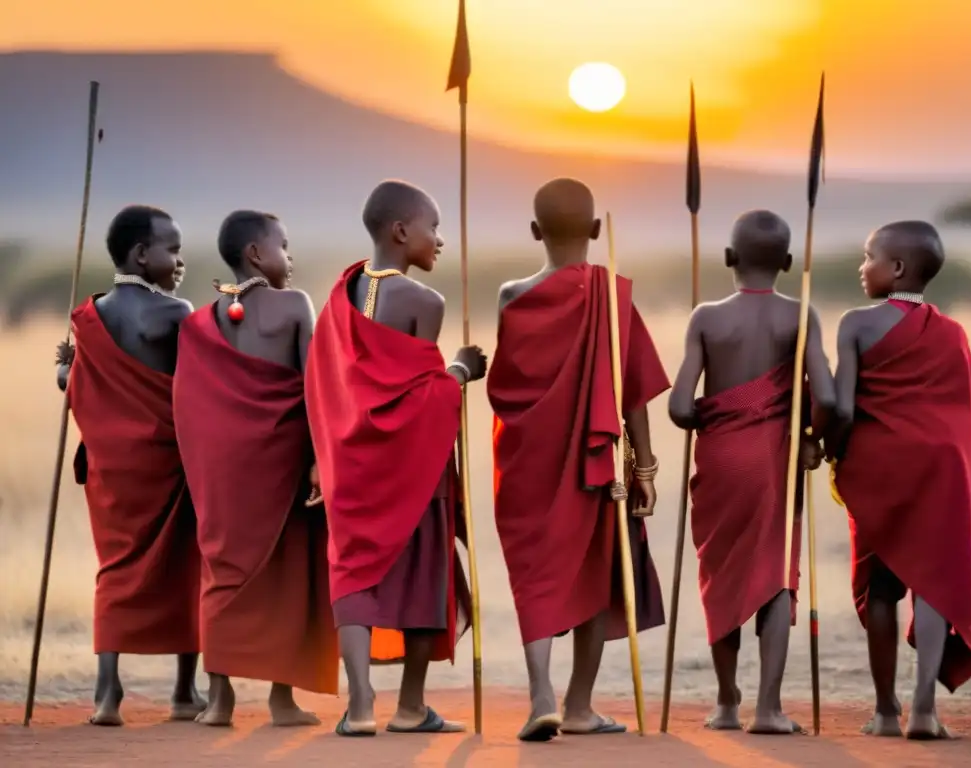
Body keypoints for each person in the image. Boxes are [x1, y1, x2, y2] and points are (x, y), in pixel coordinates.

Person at [487, 178, 668, 742]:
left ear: (535, 232)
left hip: (521, 459)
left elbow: (508, 381)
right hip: (591, 460)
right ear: (594, 230)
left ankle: (540, 693)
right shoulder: (610, 295)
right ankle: (579, 705)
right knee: (597, 568)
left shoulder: (510, 294)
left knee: (534, 573)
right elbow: (631, 391)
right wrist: (644, 468)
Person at [305, 180, 486, 737]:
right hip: (411, 468)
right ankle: (409, 707)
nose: (440, 242)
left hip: (348, 461)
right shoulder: (425, 302)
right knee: (422, 573)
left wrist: (320, 456)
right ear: (401, 231)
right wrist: (460, 370)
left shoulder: (340, 295)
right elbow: (422, 399)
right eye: (434, 228)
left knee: (353, 570)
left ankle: (360, 705)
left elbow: (323, 384)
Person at [829, 221, 971, 740]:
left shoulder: (855, 324)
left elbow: (840, 405)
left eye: (869, 257)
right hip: (941, 471)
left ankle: (886, 711)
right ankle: (925, 710)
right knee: (932, 585)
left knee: (881, 588)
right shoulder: (953, 332)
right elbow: (964, 412)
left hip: (880, 468)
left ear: (898, 269)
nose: (863, 267)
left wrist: (823, 445)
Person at [667, 210, 835, 734]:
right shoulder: (801, 315)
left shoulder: (706, 317)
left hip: (719, 459)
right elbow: (827, 396)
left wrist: (713, 413)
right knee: (775, 577)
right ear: (787, 263)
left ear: (728, 258)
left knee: (721, 575)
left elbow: (678, 407)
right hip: (773, 461)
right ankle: (769, 708)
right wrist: (810, 438)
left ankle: (724, 704)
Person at [172, 210, 337, 727]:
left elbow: (188, 401)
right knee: (286, 572)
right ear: (256, 255)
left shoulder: (201, 319)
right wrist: (317, 459)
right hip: (283, 461)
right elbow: (315, 386)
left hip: (220, 468)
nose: (291, 257)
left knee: (221, 568)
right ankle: (280, 700)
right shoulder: (294, 304)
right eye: (284, 246)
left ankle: (219, 700)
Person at [56, 204, 205, 726]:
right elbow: (194, 389)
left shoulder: (93, 315)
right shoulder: (177, 313)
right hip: (169, 462)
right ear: (142, 255)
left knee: (114, 570)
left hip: (112, 470)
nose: (180, 261)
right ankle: (185, 692)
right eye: (174, 249)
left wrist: (62, 367)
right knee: (186, 568)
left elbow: (76, 389)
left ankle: (106, 695)